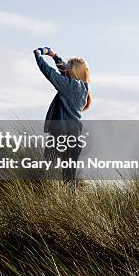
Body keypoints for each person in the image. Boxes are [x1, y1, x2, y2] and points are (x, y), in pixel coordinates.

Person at [33, 47, 91, 183]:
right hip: (74, 135)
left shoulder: (70, 85)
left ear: (73, 72)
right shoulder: (83, 86)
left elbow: (51, 73)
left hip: (61, 134)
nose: (66, 68)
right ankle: (70, 201)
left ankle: (43, 194)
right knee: (69, 178)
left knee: (46, 170)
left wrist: (38, 56)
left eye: (69, 68)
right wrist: (54, 56)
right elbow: (63, 70)